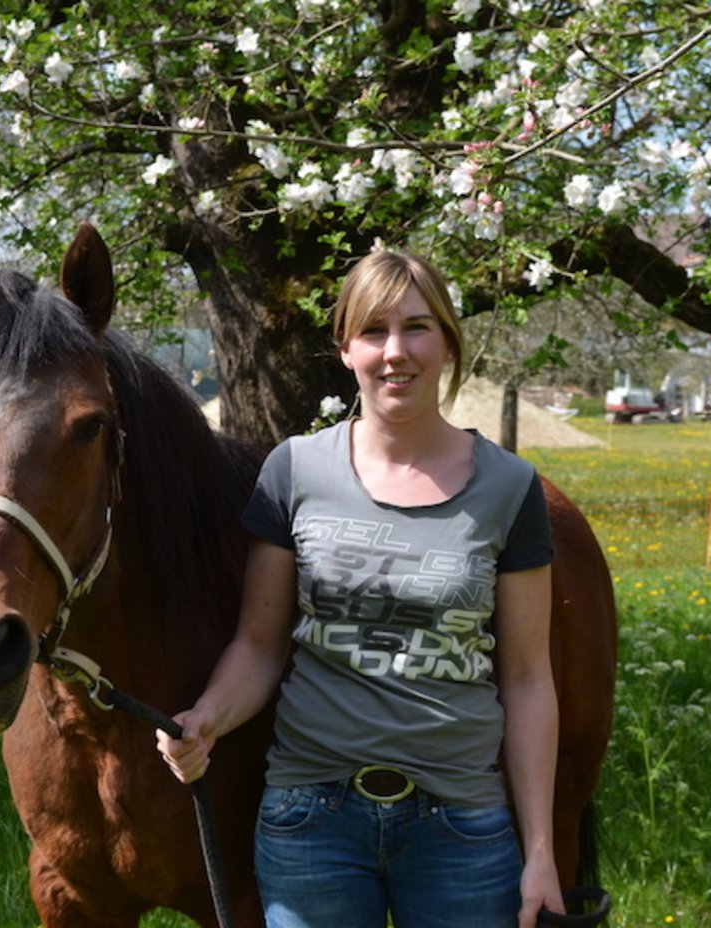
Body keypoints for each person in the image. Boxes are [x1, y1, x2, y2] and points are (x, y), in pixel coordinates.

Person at [156, 249, 564, 928]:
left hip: (460, 826)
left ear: (448, 343)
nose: (395, 351)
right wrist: (206, 718)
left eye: (417, 327)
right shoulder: (293, 472)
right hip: (311, 822)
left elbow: (527, 681)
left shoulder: (510, 488)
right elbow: (259, 647)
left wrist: (541, 851)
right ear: (346, 349)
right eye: (374, 331)